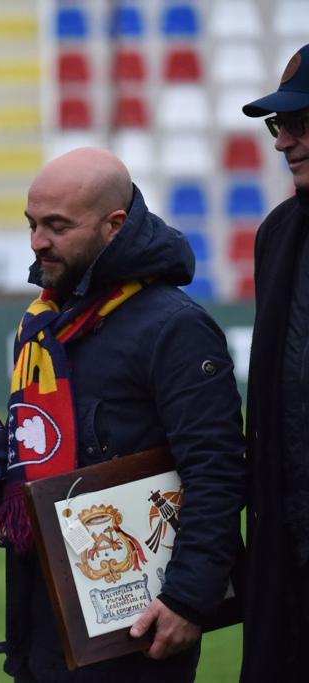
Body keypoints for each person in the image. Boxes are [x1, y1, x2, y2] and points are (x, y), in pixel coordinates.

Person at [0, 147, 245, 682]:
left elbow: (216, 471)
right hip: (45, 617)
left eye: (57, 226)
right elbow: (33, 460)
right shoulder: (43, 323)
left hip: (138, 627)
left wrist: (188, 598)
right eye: (32, 224)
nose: (37, 241)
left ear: (114, 225)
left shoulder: (175, 327)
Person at [240, 42, 309, 680]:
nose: (285, 141)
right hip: (286, 559)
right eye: (279, 125)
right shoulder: (279, 233)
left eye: (302, 123)